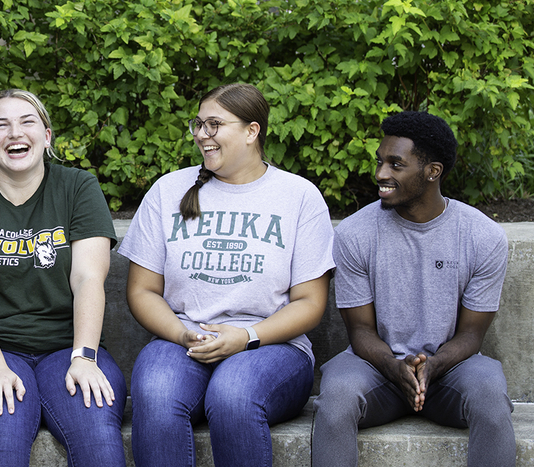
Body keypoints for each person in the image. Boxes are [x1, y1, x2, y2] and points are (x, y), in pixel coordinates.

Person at [119, 83, 334, 467]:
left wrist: (247, 336)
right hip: (182, 338)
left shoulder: (298, 197)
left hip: (272, 346)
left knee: (232, 396)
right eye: (198, 124)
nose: (202, 135)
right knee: (155, 391)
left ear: (252, 131)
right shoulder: (168, 191)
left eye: (214, 125)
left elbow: (310, 303)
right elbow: (142, 291)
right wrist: (181, 332)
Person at [0, 89, 126, 467]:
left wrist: (84, 357)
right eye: (1, 125)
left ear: (47, 136)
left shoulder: (78, 188)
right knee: (4, 419)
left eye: (27, 122)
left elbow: (88, 279)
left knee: (95, 426)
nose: (15, 133)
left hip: (65, 348)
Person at [312, 110, 515, 466]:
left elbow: (470, 336)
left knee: (489, 392)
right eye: (380, 162)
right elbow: (360, 330)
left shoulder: (483, 237)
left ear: (432, 171)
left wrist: (433, 366)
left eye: (395, 165)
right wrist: (395, 367)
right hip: (376, 368)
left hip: (451, 369)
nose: (380, 174)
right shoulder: (354, 234)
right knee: (337, 395)